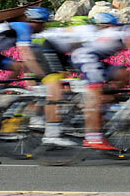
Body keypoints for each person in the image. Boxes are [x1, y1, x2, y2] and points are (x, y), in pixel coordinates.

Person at [70, 5, 130, 151]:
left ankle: (105, 103)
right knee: (96, 96)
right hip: (86, 57)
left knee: (123, 73)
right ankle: (93, 137)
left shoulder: (127, 30)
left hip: (94, 58)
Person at [35, 12, 116, 146]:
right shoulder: (90, 32)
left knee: (69, 81)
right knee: (55, 87)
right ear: (105, 27)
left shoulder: (91, 31)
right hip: (45, 45)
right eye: (111, 28)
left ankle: (62, 117)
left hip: (57, 49)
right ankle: (51, 134)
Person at [0, 7, 50, 138]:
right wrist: (44, 76)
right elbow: (28, 56)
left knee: (18, 67)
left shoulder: (27, 31)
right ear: (37, 23)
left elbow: (29, 59)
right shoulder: (24, 28)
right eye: (44, 24)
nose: (45, 27)